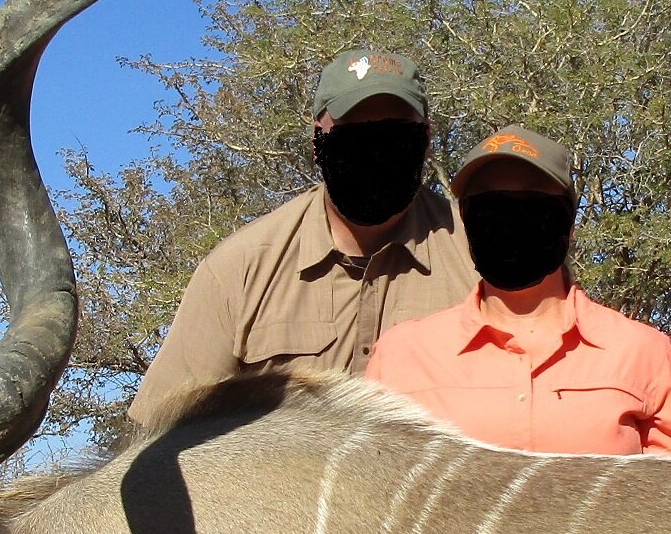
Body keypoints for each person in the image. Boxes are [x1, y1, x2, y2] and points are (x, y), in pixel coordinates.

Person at [127, 47, 477, 427]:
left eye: (395, 135)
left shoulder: (481, 255)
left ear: (425, 140)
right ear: (317, 141)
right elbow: (157, 431)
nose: (376, 154)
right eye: (354, 136)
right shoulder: (239, 269)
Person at [364, 125, 671, 455]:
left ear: (567, 222)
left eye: (532, 203)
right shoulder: (400, 356)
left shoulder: (646, 353)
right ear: (467, 221)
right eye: (489, 206)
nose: (509, 222)